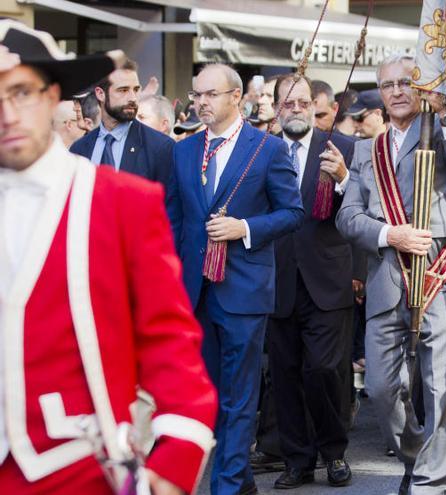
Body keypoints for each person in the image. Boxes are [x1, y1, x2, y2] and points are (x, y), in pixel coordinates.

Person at [0, 21, 217, 494]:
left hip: (81, 469)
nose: (7, 114)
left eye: (21, 93)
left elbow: (169, 342)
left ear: (54, 95)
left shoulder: (120, 202)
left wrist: (175, 457)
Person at [336, 54, 446, 495]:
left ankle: (430, 484)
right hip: (387, 272)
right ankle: (419, 458)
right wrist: (388, 233)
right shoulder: (366, 149)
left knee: (443, 389)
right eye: (388, 84)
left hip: (442, 269)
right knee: (379, 388)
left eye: (406, 82)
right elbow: (348, 217)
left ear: (421, 87)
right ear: (380, 94)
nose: (397, 90)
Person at [165, 63, 304, 495]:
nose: (200, 102)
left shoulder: (266, 149)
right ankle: (239, 480)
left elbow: (293, 212)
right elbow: (174, 220)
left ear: (235, 97)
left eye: (210, 94)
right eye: (196, 95)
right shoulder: (183, 151)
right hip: (196, 292)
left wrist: (244, 228)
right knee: (209, 396)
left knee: (239, 396)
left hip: (243, 290)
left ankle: (225, 487)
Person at [265, 73, 357, 490]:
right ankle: (297, 460)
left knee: (324, 370)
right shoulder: (263, 151)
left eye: (304, 102)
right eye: (289, 103)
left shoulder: (343, 149)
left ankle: (334, 453)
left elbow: (363, 207)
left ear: (317, 106)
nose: (297, 109)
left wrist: (343, 178)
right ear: (277, 108)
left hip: (327, 280)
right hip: (277, 280)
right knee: (285, 374)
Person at [69, 59, 175, 193]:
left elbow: (169, 208)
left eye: (136, 90)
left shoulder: (160, 147)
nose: (132, 98)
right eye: (123, 90)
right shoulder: (79, 149)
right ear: (100, 94)